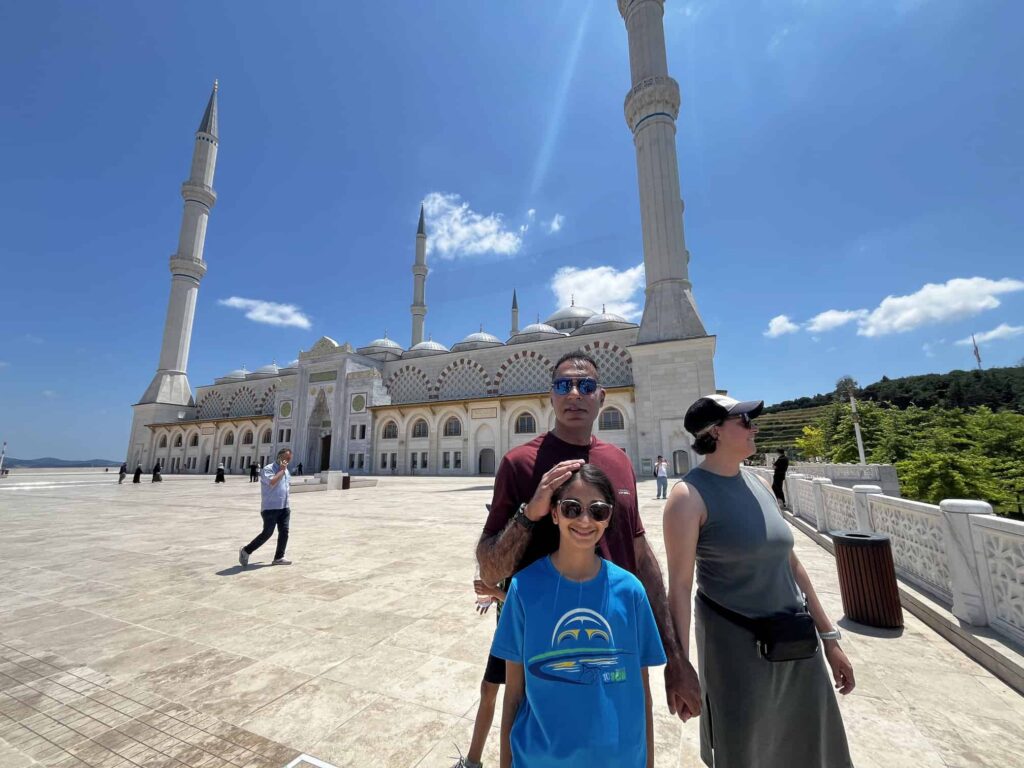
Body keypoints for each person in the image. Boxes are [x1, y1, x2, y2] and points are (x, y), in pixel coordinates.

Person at [475, 350, 701, 731]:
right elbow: (491, 567)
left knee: (625, 733)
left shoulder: (618, 461)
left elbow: (639, 554)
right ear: (551, 396)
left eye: (586, 385)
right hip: (547, 645)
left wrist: (675, 655)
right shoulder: (520, 463)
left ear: (602, 397)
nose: (574, 394)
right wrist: (531, 512)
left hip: (617, 638)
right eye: (564, 385)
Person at [663, 394, 854, 768]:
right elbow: (680, 588)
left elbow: (792, 565)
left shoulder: (760, 486)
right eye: (745, 421)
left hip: (796, 643)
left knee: (810, 743)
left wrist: (829, 639)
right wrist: (680, 663)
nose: (755, 427)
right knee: (750, 747)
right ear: (715, 431)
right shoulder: (688, 497)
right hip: (739, 651)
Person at [492, 464, 665, 767]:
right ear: (555, 513)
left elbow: (642, 694)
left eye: (597, 511)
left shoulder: (631, 591)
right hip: (541, 759)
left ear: (608, 518)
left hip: (619, 759)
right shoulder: (524, 588)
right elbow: (514, 697)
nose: (585, 520)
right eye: (572, 508)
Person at [451, 577, 508, 768]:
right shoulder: (511, 550)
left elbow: (532, 603)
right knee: (487, 690)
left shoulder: (532, 552)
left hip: (523, 635)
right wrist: (495, 594)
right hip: (505, 632)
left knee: (516, 702)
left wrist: (497, 593)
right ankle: (471, 762)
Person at [239, 447, 293, 566]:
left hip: (284, 507)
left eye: (289, 459)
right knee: (267, 533)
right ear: (279, 457)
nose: (287, 461)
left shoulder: (287, 471)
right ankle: (246, 550)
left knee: (284, 532)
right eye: (285, 458)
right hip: (270, 508)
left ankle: (279, 557)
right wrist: (281, 470)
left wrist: (284, 471)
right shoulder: (268, 469)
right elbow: (272, 482)